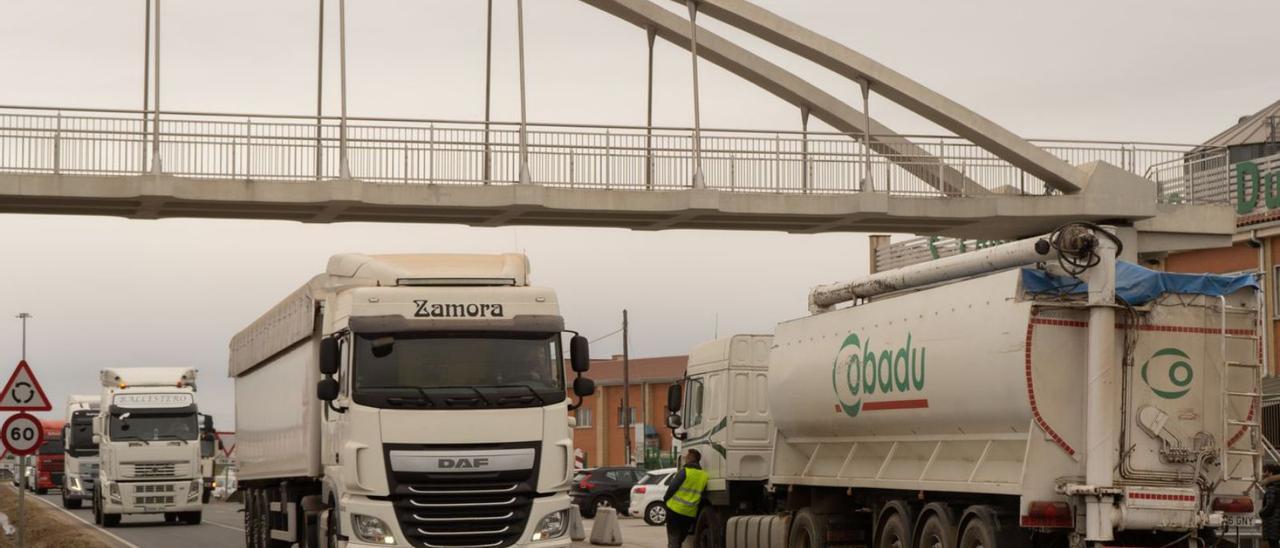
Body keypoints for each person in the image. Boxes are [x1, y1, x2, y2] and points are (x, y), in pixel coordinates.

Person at [664, 448, 709, 548]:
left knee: (673, 539)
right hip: (689, 513)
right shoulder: (704, 476)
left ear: (690, 459)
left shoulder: (684, 471)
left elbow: (672, 487)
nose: (685, 458)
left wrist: (666, 499)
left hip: (674, 510)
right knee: (680, 538)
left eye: (687, 457)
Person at [1263, 463, 1280, 548]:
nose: (1263, 474)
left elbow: (1270, 505)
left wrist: (1261, 513)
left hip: (1272, 523)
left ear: (1271, 473)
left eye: (1264, 471)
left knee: (1273, 544)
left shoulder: (1271, 488)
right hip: (1277, 523)